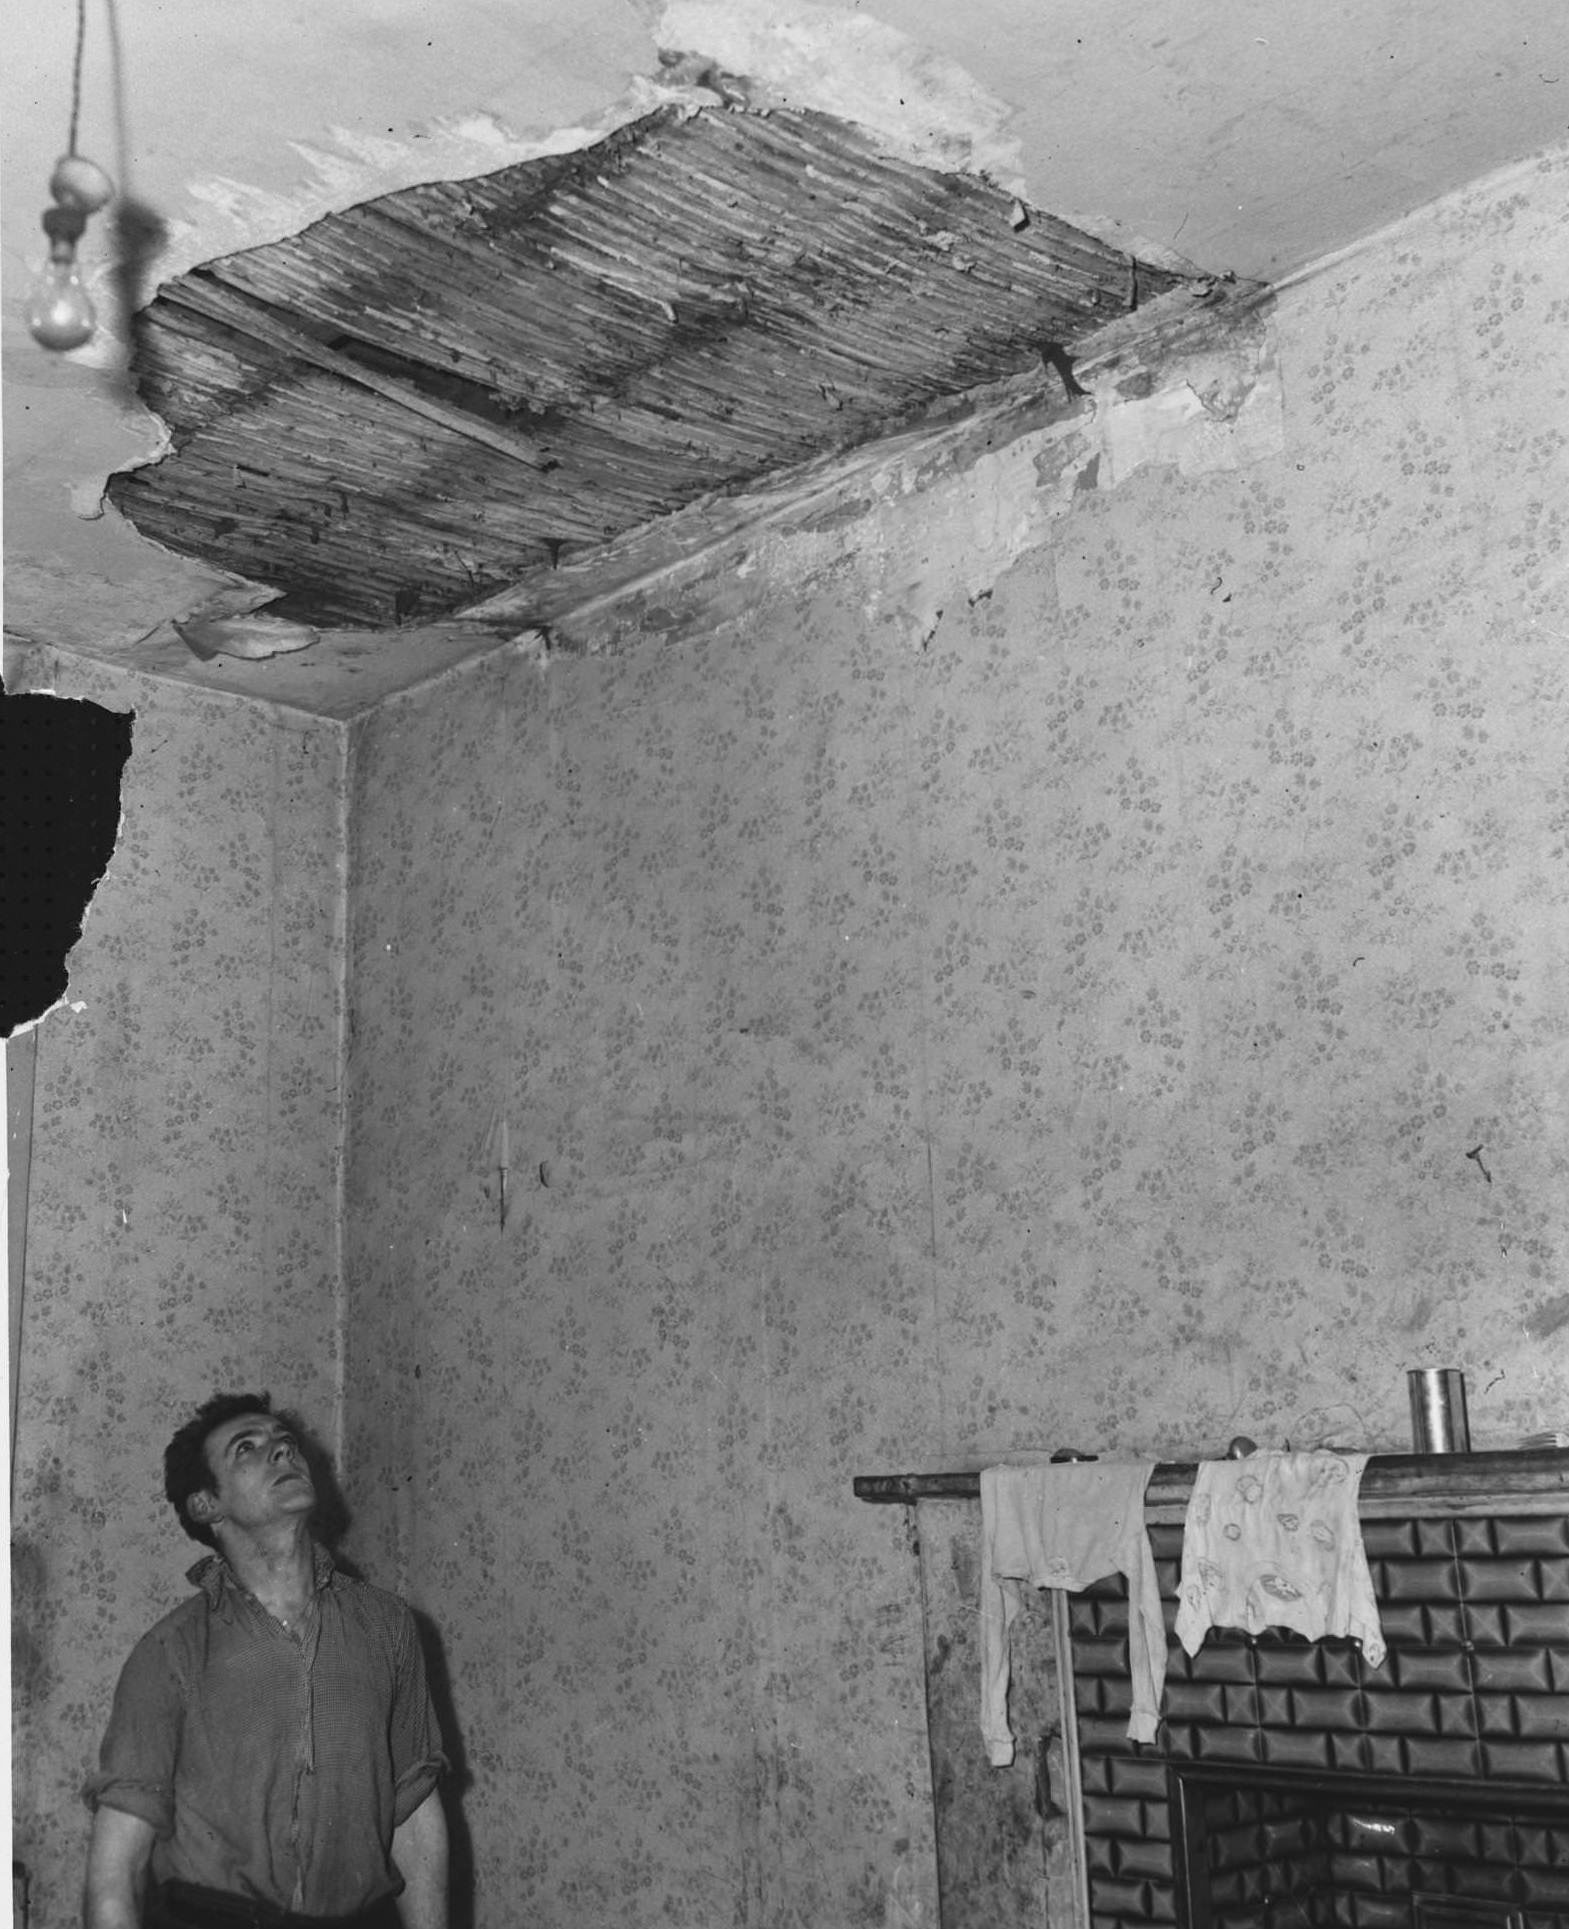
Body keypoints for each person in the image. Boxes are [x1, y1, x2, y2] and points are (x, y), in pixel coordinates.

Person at [83, 1393, 449, 1929]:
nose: (281, 1452)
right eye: (247, 1448)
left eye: (286, 1442)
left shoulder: (388, 1625)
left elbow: (415, 1814)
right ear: (207, 1505)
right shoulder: (169, 1651)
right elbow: (117, 1867)